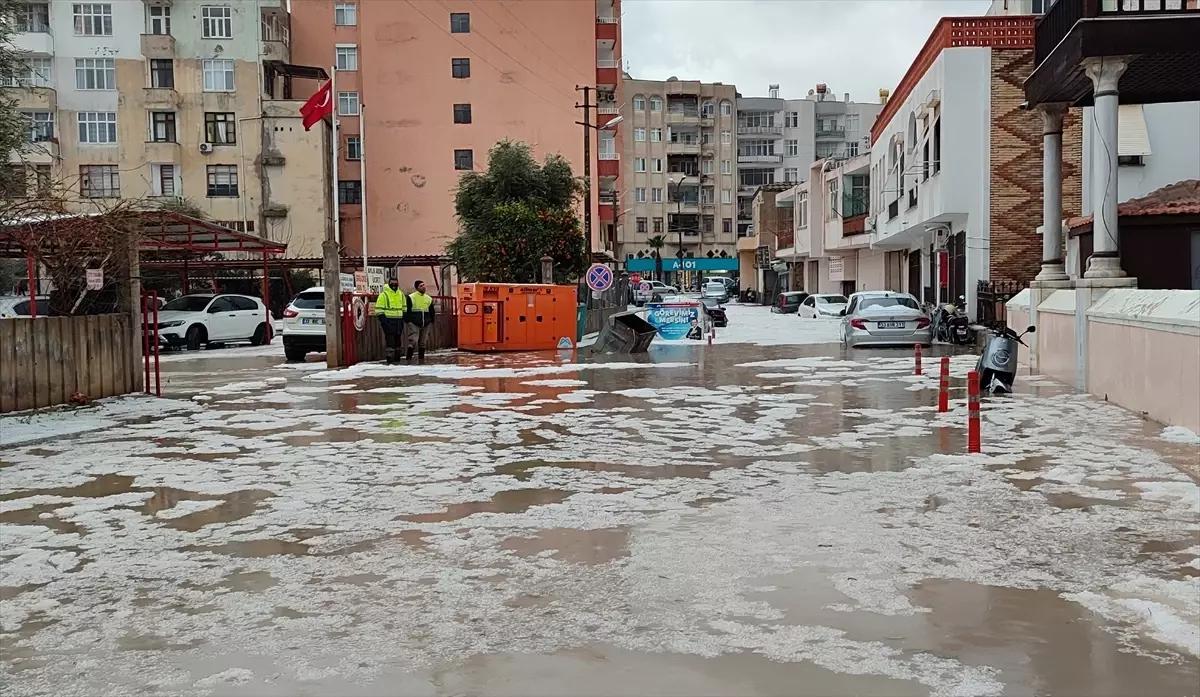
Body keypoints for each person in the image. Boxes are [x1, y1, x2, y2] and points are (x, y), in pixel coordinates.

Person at [375, 273, 409, 364]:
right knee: (390, 341)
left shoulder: (400, 294)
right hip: (388, 321)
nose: (394, 285)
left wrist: (404, 317)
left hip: (398, 321)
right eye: (392, 283)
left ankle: (397, 358)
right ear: (389, 283)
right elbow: (379, 309)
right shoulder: (384, 295)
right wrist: (384, 321)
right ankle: (390, 359)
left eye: (396, 283)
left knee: (398, 340)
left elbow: (404, 307)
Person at [405, 280, 436, 363]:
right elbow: (407, 310)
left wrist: (431, 320)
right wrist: (408, 321)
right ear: (417, 288)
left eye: (424, 285)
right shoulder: (411, 297)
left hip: (425, 322)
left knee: (423, 342)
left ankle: (421, 359)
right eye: (421, 286)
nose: (423, 287)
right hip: (414, 322)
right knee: (414, 340)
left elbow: (431, 310)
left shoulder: (428, 298)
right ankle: (408, 359)